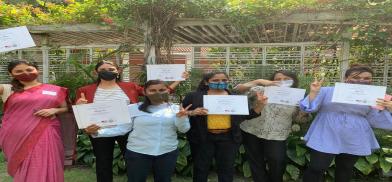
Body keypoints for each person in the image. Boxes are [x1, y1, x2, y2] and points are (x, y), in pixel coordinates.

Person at [75, 60, 188, 182]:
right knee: (103, 162)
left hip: (127, 128)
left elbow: (156, 93)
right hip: (100, 129)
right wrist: (79, 106)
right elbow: (80, 111)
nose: (107, 72)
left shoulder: (130, 86)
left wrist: (179, 80)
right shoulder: (84, 90)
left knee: (133, 162)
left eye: (111, 69)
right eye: (103, 70)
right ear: (96, 72)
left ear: (118, 71)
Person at [300, 65, 392, 182]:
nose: (362, 80)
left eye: (367, 78)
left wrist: (389, 108)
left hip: (355, 135)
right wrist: (313, 92)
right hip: (326, 132)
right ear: (346, 78)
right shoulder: (327, 91)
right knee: (317, 167)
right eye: (356, 77)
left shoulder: (375, 97)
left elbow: (375, 119)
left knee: (346, 168)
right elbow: (308, 108)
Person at [181, 71, 268, 182]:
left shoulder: (235, 97)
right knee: (200, 168)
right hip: (203, 137)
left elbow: (247, 115)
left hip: (228, 138)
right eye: (215, 80)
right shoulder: (194, 96)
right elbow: (181, 113)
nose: (220, 82)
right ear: (206, 82)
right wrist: (193, 112)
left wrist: (260, 105)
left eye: (224, 80)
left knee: (226, 169)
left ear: (228, 81)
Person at [0, 60, 68, 182]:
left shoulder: (55, 89)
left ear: (37, 70)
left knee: (42, 161)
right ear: (11, 74)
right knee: (23, 163)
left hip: (45, 131)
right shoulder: (7, 89)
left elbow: (65, 108)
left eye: (29, 69)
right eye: (19, 71)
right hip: (16, 135)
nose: (25, 73)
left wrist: (53, 110)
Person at [235, 70, 309, 182]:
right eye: (278, 79)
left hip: (277, 134)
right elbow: (237, 89)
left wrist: (303, 111)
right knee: (256, 162)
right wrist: (259, 81)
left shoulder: (298, 96)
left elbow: (299, 119)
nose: (281, 81)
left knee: (277, 161)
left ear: (293, 81)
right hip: (252, 130)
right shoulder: (261, 90)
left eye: (286, 79)